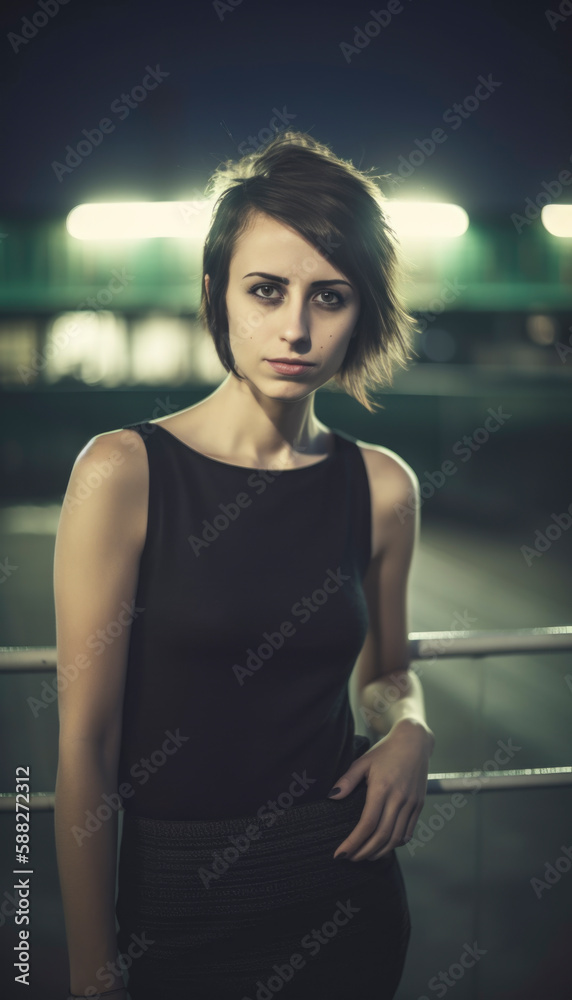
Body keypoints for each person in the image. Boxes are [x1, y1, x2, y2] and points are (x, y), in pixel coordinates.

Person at [54, 129, 435, 1000]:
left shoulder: (381, 486)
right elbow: (84, 741)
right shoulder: (122, 471)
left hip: (345, 895)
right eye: (266, 290)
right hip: (172, 908)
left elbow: (390, 671)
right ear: (215, 294)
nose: (295, 328)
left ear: (361, 312)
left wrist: (411, 726)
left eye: (329, 297)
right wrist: (85, 964)